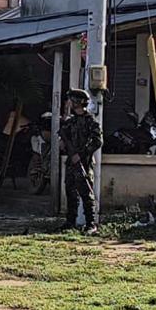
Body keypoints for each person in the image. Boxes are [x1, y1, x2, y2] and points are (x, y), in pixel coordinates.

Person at [60, 88, 103, 232]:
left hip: (84, 162)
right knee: (70, 191)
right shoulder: (70, 122)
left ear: (78, 102)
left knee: (86, 192)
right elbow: (64, 137)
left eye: (71, 100)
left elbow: (97, 141)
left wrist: (82, 154)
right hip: (71, 162)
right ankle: (70, 222)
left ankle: (91, 223)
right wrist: (63, 144)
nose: (69, 103)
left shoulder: (91, 121)